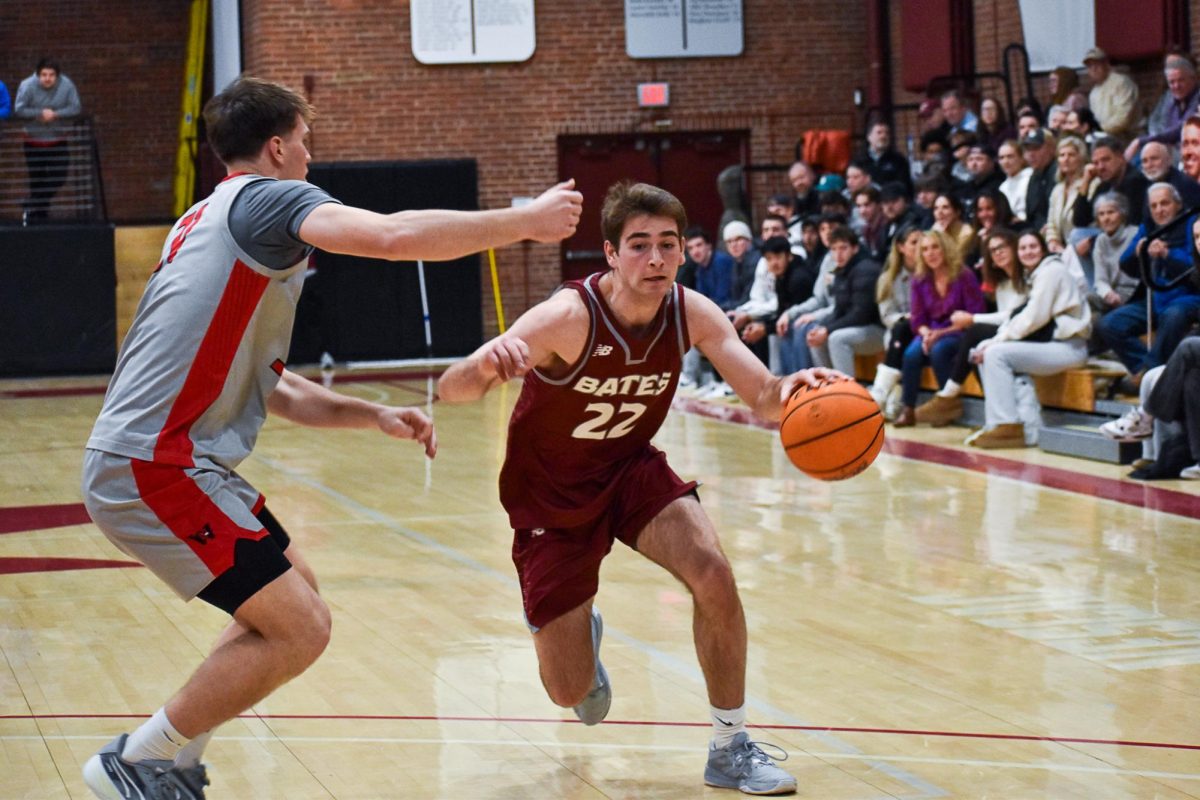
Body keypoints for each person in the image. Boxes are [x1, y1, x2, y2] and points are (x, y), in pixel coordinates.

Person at [78, 76, 584, 800]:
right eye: (306, 143)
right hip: (155, 463)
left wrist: (369, 415)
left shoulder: (204, 219)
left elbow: (268, 387)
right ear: (277, 147)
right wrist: (523, 221)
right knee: (302, 629)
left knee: (295, 600)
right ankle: (137, 759)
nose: (311, 159)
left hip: (176, 461)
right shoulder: (269, 199)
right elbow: (392, 235)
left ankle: (174, 759)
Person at [437, 181, 827, 797]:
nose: (655, 259)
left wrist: (798, 389)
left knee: (714, 574)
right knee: (570, 693)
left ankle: (730, 747)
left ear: (681, 252)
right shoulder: (567, 318)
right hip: (552, 496)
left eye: (667, 245)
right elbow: (450, 389)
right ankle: (580, 636)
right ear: (611, 255)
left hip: (629, 469)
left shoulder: (692, 311)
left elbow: (763, 396)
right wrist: (489, 365)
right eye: (639, 245)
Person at [965, 231, 1091, 448]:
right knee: (986, 351)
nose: (1028, 251)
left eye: (1033, 246)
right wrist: (993, 340)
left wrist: (996, 342)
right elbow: (1019, 315)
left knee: (995, 354)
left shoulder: (1051, 271)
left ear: (1042, 248)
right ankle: (1000, 424)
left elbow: (1033, 319)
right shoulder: (1036, 275)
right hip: (1053, 346)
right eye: (1023, 248)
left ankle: (1007, 424)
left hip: (1069, 347)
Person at [914, 228, 1029, 426]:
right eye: (993, 250)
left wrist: (974, 320)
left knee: (974, 337)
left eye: (1003, 247)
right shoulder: (1001, 284)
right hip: (1009, 332)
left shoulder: (1028, 278)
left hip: (1032, 333)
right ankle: (995, 418)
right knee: (976, 351)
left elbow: (1016, 317)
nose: (998, 253)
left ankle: (948, 395)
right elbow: (917, 317)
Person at [1098, 186, 1200, 390]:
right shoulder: (1148, 226)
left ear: (1178, 204)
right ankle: (1149, 373)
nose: (1159, 210)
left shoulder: (1191, 223)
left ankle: (1149, 373)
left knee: (1174, 315)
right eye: (1154, 206)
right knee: (1109, 324)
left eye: (1165, 203)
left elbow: (1194, 266)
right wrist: (1138, 251)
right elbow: (1125, 263)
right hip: (1156, 297)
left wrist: (1167, 255)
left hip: (1188, 296)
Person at [893, 229, 985, 426]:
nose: (930, 253)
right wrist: (926, 333)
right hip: (931, 329)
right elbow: (917, 318)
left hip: (959, 330)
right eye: (925, 249)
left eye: (935, 247)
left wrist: (939, 334)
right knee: (911, 354)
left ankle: (947, 405)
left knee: (940, 350)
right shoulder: (919, 279)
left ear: (945, 249)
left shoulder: (964, 275)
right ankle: (908, 408)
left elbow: (975, 314)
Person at [803, 224, 885, 377]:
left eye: (843, 248)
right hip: (856, 328)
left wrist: (828, 330)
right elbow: (838, 310)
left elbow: (861, 314)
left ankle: (846, 390)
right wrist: (822, 328)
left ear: (855, 248)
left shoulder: (866, 270)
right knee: (816, 335)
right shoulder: (842, 270)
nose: (838, 254)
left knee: (836, 338)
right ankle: (827, 385)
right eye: (834, 249)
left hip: (878, 330)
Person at [13, 57, 82, 222]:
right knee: (36, 179)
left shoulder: (67, 85)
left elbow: (76, 108)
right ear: (37, 75)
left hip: (58, 140)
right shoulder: (27, 85)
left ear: (57, 76)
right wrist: (39, 114)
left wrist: (55, 114)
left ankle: (32, 202)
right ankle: (37, 215)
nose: (47, 78)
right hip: (33, 141)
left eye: (51, 75)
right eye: (44, 75)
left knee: (60, 175)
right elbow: (19, 109)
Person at [868, 225, 922, 418]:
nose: (920, 246)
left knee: (900, 334)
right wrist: (906, 318)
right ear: (901, 247)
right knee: (899, 331)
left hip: (926, 327)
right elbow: (886, 316)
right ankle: (893, 394)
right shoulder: (888, 278)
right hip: (900, 327)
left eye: (922, 241)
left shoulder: (930, 272)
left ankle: (881, 392)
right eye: (914, 242)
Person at [1127, 52, 1200, 162]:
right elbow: (1158, 121)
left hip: (1190, 154)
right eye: (1172, 82)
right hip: (1170, 150)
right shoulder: (1172, 100)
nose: (1176, 86)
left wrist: (1142, 141)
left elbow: (1182, 128)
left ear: (1193, 78)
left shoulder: (1197, 97)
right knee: (1136, 161)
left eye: (1181, 80)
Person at [1072, 135, 1148, 230]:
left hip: (1130, 237)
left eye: (1105, 160)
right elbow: (1080, 221)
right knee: (1078, 232)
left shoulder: (1136, 181)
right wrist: (1086, 181)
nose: (1100, 167)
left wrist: (1092, 240)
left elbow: (1131, 225)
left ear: (1121, 157)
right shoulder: (1105, 185)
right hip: (1109, 238)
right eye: (1096, 163)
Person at [1044, 136, 1092, 254]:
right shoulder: (1057, 189)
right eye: (1062, 155)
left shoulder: (1091, 184)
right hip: (1062, 249)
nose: (1066, 159)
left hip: (1084, 247)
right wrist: (1052, 240)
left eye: (1071, 155)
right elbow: (1051, 223)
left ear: (1081, 158)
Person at [1084, 48, 1139, 141]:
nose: (1093, 69)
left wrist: (1100, 130)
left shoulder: (1120, 82)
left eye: (1097, 64)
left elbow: (1123, 117)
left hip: (1126, 138)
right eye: (1090, 66)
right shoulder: (1093, 93)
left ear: (1106, 64)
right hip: (1104, 138)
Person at [1022, 127, 1059, 232]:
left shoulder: (1058, 172)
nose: (1031, 154)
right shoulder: (1034, 176)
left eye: (1036, 148)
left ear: (1051, 148)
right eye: (1028, 149)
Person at [863, 120, 912, 192]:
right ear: (869, 137)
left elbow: (903, 185)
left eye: (887, 133)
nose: (883, 136)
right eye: (879, 133)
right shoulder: (860, 160)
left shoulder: (899, 160)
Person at [997, 139, 1032, 222]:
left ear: (1021, 158)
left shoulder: (1031, 177)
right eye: (1001, 158)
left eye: (1010, 156)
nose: (1005, 161)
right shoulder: (1002, 187)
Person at [931, 192, 976, 258]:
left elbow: (952, 259)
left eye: (945, 207)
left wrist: (941, 235)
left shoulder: (967, 233)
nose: (939, 212)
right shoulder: (935, 228)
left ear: (957, 212)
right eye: (936, 208)